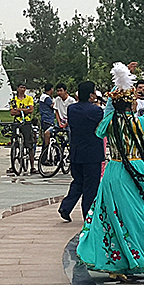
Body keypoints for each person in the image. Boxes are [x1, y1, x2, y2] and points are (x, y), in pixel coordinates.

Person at [76, 63, 144, 279]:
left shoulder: (109, 123)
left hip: (114, 170)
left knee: (111, 215)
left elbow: (105, 117)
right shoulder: (140, 122)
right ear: (131, 104)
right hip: (135, 169)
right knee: (140, 214)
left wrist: (118, 87)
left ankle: (115, 262)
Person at [58, 81, 104, 222]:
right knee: (91, 186)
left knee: (78, 182)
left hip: (76, 151)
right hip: (92, 154)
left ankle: (66, 207)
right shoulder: (96, 111)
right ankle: (88, 214)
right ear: (91, 95)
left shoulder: (72, 109)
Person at [9, 83, 36, 174]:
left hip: (26, 121)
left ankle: (32, 166)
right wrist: (24, 110)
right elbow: (12, 112)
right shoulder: (14, 100)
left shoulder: (29, 98)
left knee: (29, 144)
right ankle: (13, 165)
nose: (23, 89)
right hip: (17, 121)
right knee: (14, 142)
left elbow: (31, 110)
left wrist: (19, 110)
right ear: (18, 89)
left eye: (24, 88)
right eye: (21, 87)